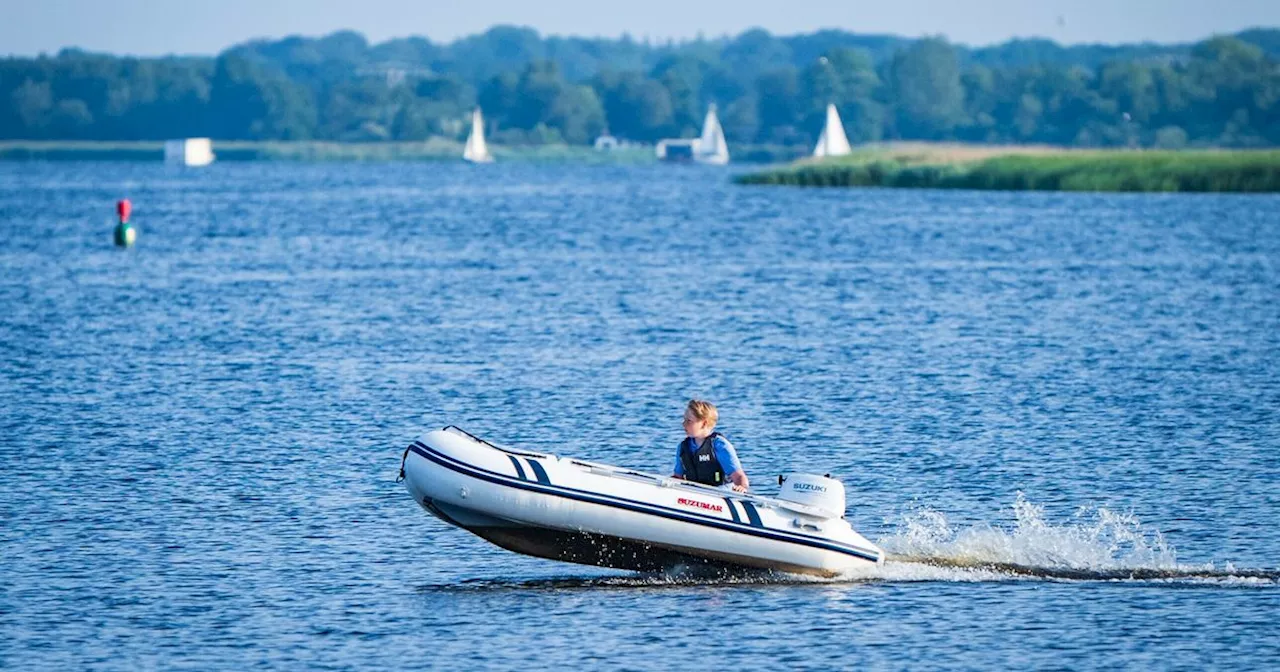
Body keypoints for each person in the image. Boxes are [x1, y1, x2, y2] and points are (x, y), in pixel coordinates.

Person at [671, 399, 749, 492]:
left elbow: (739, 476)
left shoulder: (720, 445)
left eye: (689, 421)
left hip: (719, 493)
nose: (683, 424)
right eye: (684, 420)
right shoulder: (683, 447)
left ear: (704, 424)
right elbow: (677, 477)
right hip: (693, 493)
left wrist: (741, 487)